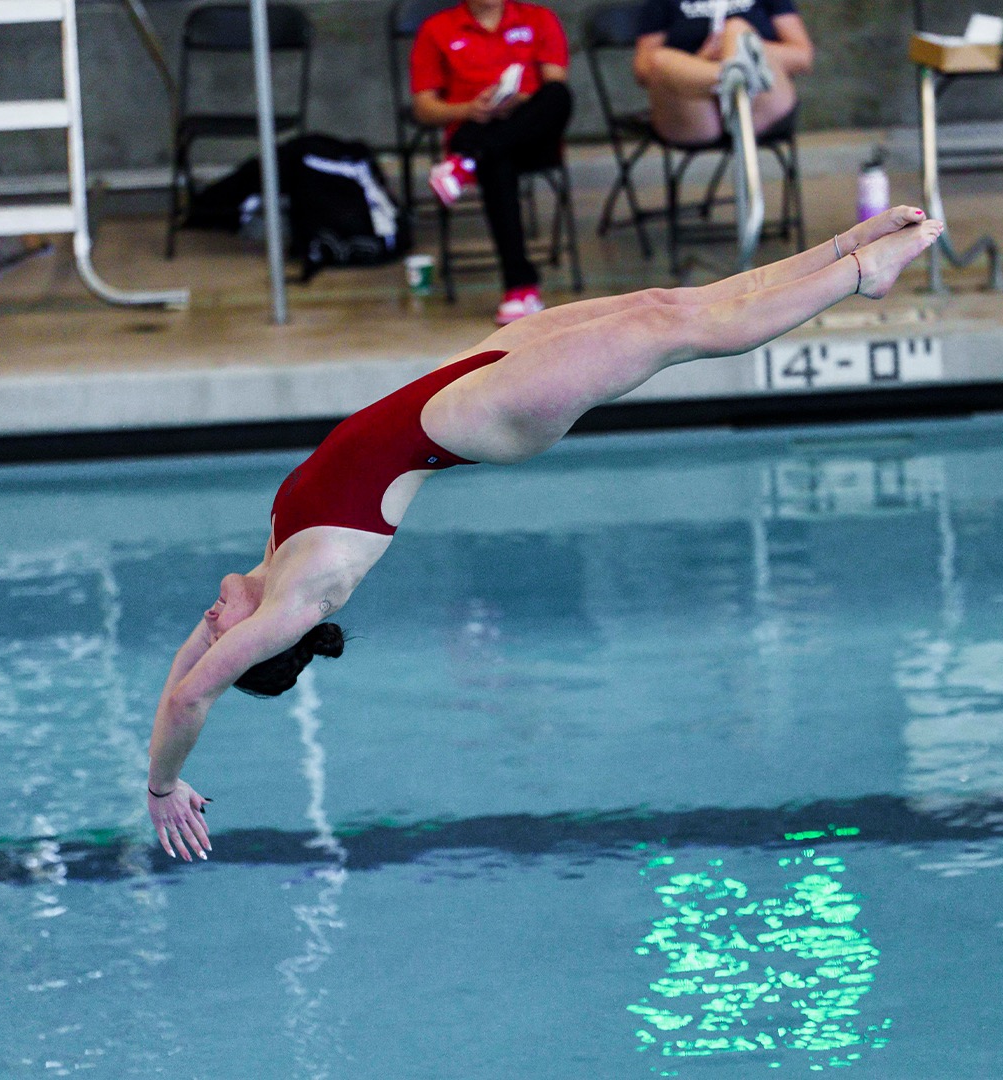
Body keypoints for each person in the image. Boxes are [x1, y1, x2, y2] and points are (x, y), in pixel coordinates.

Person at [143, 206, 944, 860]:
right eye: (218, 635)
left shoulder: (269, 566)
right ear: (260, 640)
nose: (205, 623)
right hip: (490, 412)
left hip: (467, 374)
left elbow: (187, 673)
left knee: (663, 305)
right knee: (677, 333)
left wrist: (193, 684)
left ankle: (841, 247)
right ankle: (859, 275)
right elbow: (190, 697)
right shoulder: (297, 597)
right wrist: (162, 787)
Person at [409, 0, 572, 325]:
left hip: (529, 133)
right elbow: (424, 108)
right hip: (472, 125)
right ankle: (520, 288)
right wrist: (470, 109)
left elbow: (554, 80)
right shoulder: (436, 29)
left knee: (558, 95)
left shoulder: (539, 19)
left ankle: (467, 160)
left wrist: (513, 101)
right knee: (497, 160)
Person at [632, 0, 812, 147]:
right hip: (695, 109)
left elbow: (803, 57)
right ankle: (734, 76)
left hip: (761, 105)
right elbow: (643, 69)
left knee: (737, 31)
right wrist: (701, 61)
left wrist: (738, 49)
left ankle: (736, 74)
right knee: (659, 60)